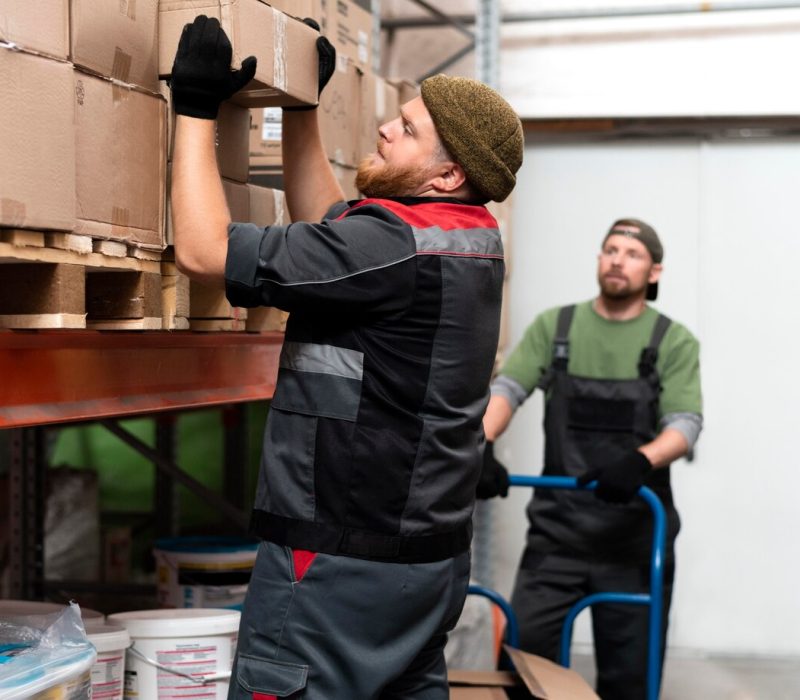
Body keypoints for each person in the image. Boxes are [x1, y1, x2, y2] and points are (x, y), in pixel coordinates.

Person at [167, 14, 523, 700]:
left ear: (448, 174)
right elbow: (334, 227)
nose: (386, 128)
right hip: (425, 567)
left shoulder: (391, 249)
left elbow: (203, 251)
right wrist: (302, 111)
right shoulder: (469, 237)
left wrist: (194, 106)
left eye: (408, 129)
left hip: (336, 567)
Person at [479, 218, 703, 699]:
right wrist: (484, 442)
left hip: (634, 542)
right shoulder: (556, 327)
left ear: (654, 272)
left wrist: (640, 460)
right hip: (557, 536)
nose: (618, 260)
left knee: (629, 681)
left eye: (633, 254)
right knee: (522, 667)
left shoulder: (672, 340)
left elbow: (685, 424)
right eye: (611, 249)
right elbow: (509, 388)